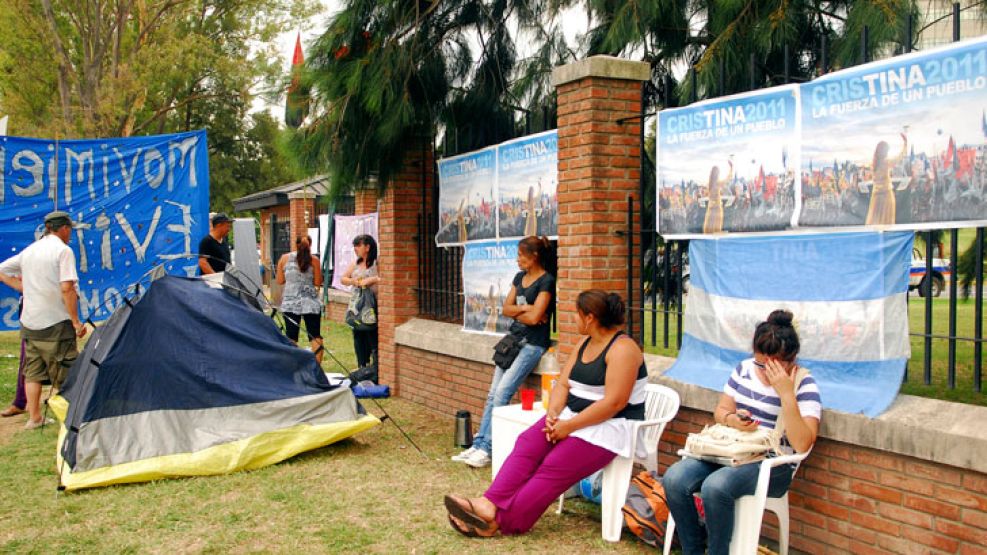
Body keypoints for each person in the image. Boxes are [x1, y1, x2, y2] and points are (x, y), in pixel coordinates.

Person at [444, 290, 647, 537]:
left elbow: (614, 403)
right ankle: (488, 504)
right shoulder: (586, 342)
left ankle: (500, 522)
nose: (575, 320)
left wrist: (568, 427)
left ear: (590, 318)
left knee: (554, 464)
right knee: (528, 442)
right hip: (574, 419)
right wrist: (553, 416)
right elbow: (563, 383)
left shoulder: (624, 349)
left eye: (577, 315)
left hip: (610, 429)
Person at [662, 309, 822, 555]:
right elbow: (721, 410)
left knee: (716, 487)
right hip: (734, 450)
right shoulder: (744, 369)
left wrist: (786, 394)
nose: (765, 372)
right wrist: (733, 419)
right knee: (674, 479)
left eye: (775, 366)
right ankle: (692, 550)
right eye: (761, 363)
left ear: (793, 358)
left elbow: (803, 444)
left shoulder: (804, 384)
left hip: (773, 463)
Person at [451, 236, 556, 468]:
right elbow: (506, 309)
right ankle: (478, 443)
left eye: (521, 255)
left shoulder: (546, 281)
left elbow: (537, 317)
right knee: (492, 394)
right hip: (513, 341)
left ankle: (488, 448)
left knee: (502, 393)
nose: (517, 260)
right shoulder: (519, 278)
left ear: (534, 256)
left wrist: (525, 312)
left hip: (532, 344)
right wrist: (525, 309)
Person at [0, 211, 88, 429]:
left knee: (33, 371)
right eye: (70, 230)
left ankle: (35, 418)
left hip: (30, 321)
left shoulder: (30, 250)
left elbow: (2, 270)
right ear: (64, 228)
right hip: (55, 321)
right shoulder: (63, 251)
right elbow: (67, 288)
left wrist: (22, 288)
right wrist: (75, 321)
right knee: (65, 369)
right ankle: (71, 417)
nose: (70, 234)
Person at [276, 236, 324, 364]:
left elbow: (280, 281)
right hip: (310, 302)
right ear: (311, 246)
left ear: (295, 245)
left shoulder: (284, 258)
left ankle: (293, 366)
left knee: (291, 336)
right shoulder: (314, 260)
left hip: (290, 302)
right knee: (315, 335)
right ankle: (317, 369)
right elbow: (318, 282)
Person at [340, 235, 379, 368]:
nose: (355, 249)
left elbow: (384, 278)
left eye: (358, 245)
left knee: (371, 335)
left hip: (372, 306)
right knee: (358, 336)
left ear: (367, 247)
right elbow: (343, 278)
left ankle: (374, 368)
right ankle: (362, 365)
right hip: (357, 306)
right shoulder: (356, 263)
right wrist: (353, 281)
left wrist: (371, 280)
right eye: (354, 246)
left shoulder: (376, 263)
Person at [0, 280, 26, 417]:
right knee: (27, 360)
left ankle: (74, 398)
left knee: (62, 360)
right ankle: (20, 402)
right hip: (30, 317)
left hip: (48, 315)